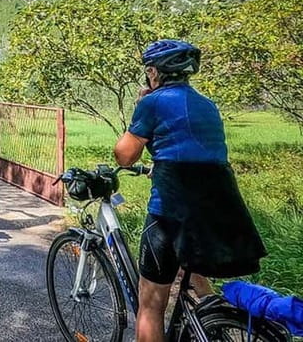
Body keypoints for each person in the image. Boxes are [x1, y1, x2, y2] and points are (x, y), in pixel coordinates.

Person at [113, 40, 266, 342]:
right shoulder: (208, 105)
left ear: (153, 73)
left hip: (171, 209)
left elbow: (125, 156)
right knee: (188, 258)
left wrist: (141, 105)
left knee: (151, 303)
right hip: (219, 210)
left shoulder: (152, 102)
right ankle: (213, 318)